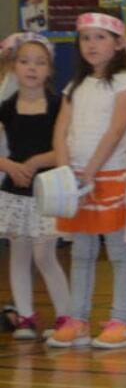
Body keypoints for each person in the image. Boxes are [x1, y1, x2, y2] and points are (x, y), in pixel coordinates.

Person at [47, 9, 126, 349]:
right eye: (85, 38)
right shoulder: (74, 84)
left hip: (110, 174)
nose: (91, 44)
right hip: (76, 179)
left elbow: (117, 129)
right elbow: (61, 129)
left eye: (100, 37)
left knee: (119, 251)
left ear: (118, 43)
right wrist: (64, 170)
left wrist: (91, 169)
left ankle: (122, 320)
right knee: (82, 252)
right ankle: (78, 318)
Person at [0, 34, 70, 340]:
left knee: (44, 254)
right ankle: (26, 316)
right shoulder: (6, 107)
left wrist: (38, 161)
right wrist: (10, 166)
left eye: (40, 63)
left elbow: (66, 149)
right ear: (14, 67)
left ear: (50, 70)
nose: (32, 68)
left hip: (47, 189)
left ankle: (67, 316)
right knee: (19, 251)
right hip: (16, 188)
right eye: (25, 61)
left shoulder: (58, 105)